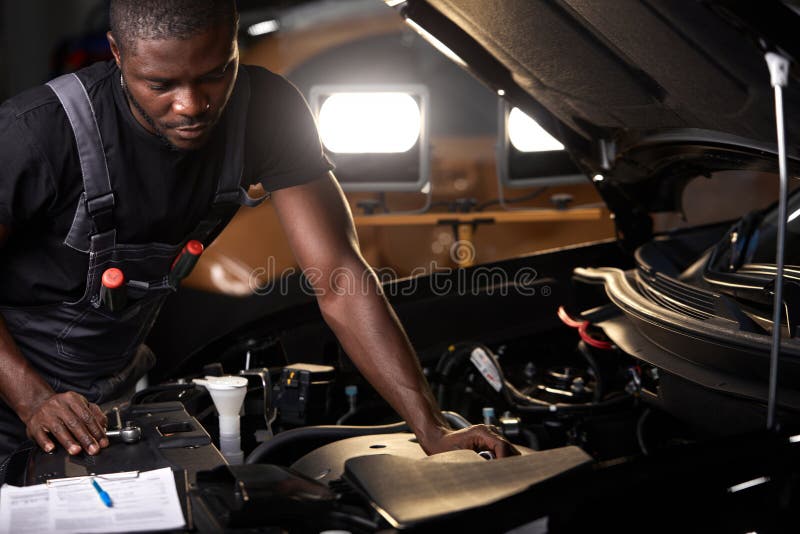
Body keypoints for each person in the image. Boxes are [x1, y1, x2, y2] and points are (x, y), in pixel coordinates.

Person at [0, 0, 516, 462]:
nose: (192, 105)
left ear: (233, 41)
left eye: (215, 74)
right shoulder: (37, 133)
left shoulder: (267, 111)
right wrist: (32, 397)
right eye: (160, 85)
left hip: (103, 401)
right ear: (116, 53)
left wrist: (430, 426)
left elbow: (338, 276)